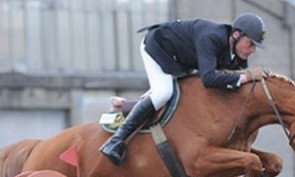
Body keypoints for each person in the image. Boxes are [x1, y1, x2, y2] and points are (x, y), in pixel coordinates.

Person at [99, 13, 268, 166]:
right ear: (237, 35)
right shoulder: (211, 38)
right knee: (164, 93)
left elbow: (234, 82)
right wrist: (245, 77)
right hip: (158, 47)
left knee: (178, 92)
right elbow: (208, 79)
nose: (252, 50)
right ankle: (115, 141)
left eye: (254, 46)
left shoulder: (237, 52)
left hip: (182, 59)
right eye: (250, 44)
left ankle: (125, 105)